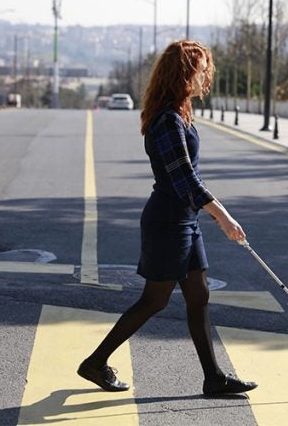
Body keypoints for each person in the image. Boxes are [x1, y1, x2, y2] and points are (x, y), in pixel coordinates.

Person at [78, 40, 258, 396]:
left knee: (199, 295)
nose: (205, 75)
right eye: (201, 69)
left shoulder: (180, 113)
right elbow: (185, 180)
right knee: (154, 300)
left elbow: (191, 180)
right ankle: (95, 363)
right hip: (167, 223)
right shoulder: (166, 122)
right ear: (184, 73)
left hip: (185, 221)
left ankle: (213, 377)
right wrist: (223, 216)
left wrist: (210, 214)